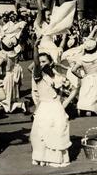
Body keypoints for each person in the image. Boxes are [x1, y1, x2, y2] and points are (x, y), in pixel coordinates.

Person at [30, 38, 71, 167]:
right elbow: (36, 65)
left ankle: (55, 158)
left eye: (44, 61)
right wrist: (35, 48)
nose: (41, 64)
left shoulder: (57, 76)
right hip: (44, 106)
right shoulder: (38, 75)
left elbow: (67, 90)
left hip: (56, 106)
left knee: (57, 131)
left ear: (51, 62)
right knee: (42, 132)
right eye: (40, 62)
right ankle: (42, 157)